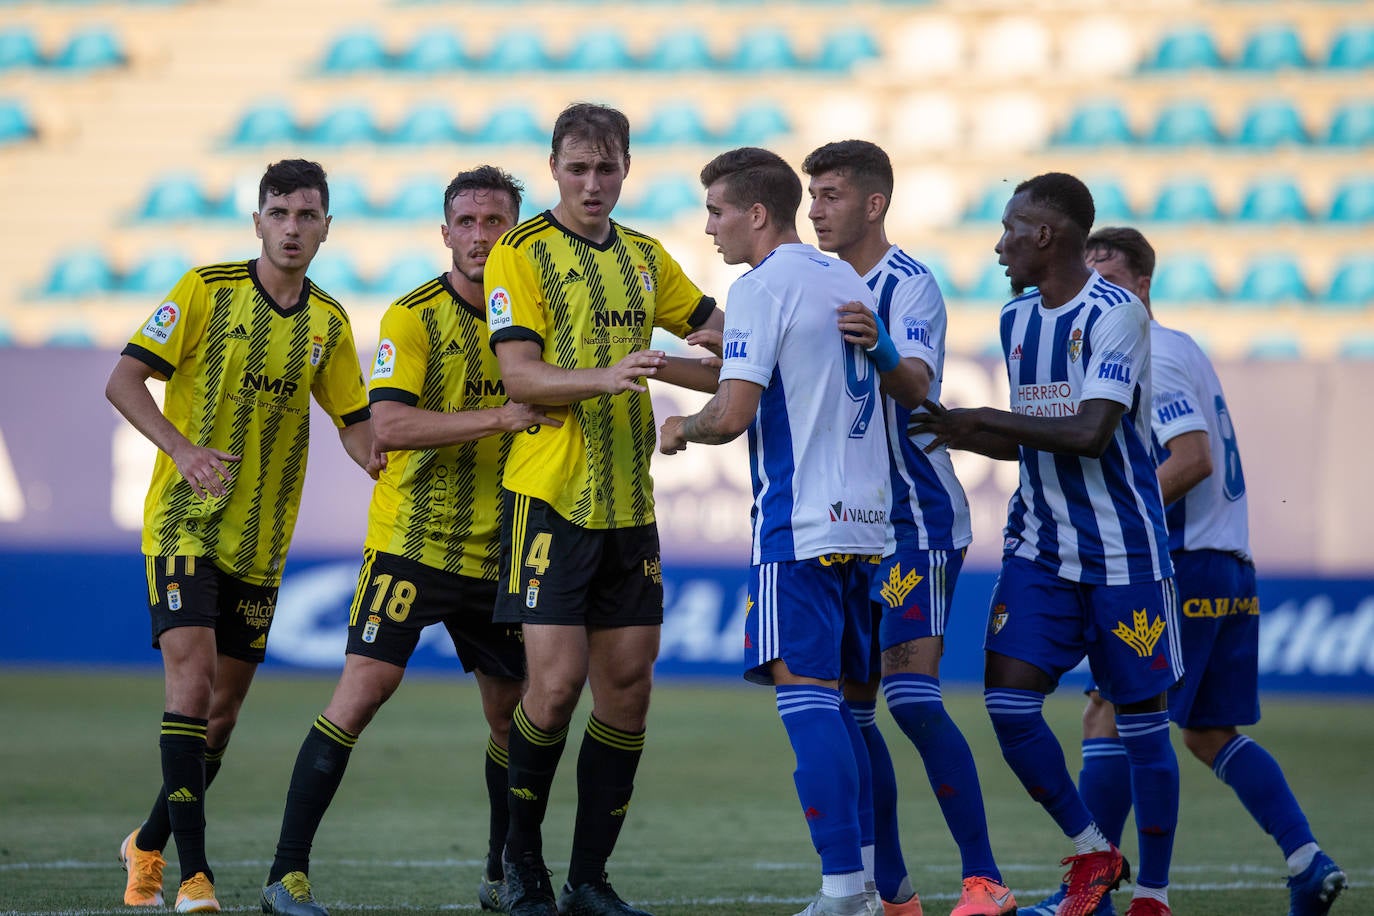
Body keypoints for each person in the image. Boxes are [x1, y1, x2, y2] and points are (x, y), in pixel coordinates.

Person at [258, 166, 557, 916]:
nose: (482, 235)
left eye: (497, 222)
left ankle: (503, 874)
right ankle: (285, 875)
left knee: (513, 714)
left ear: (515, 232)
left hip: (500, 552)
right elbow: (387, 427)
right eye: (468, 222)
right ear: (446, 232)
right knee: (362, 693)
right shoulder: (412, 317)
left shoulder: (538, 315)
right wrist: (500, 418)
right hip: (412, 545)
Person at [1022, 227, 1347, 916]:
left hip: (1185, 563)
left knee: (1107, 714)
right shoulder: (1178, 347)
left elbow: (1192, 456)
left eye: (1108, 281)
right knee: (1206, 733)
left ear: (1141, 284)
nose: (1097, 295)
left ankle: (1097, 896)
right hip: (1225, 564)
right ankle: (1305, 859)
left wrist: (1115, 511)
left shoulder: (1154, 353)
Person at [105, 159, 376, 913]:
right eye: (280, 214)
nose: (293, 228)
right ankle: (192, 876)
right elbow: (123, 380)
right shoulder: (204, 289)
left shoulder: (329, 322)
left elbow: (356, 425)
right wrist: (182, 450)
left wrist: (384, 463)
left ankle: (147, 839)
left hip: (261, 541)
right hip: (183, 524)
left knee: (219, 717)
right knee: (189, 689)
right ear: (258, 220)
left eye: (308, 216)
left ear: (326, 227)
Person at [911, 173, 1182, 916]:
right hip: (1039, 548)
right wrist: (963, 435)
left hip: (1125, 554)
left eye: (1009, 229)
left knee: (1144, 725)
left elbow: (1092, 432)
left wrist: (985, 418)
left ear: (1045, 235)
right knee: (1007, 703)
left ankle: (1152, 895)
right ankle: (1095, 851)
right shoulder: (1015, 320)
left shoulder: (1117, 313)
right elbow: (1034, 443)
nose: (998, 245)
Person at [483, 102, 723, 916]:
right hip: (549, 501)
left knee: (627, 689)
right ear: (554, 167)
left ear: (626, 168)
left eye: (607, 168)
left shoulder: (648, 258)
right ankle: (522, 868)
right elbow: (519, 376)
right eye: (578, 168)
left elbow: (722, 340)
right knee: (552, 692)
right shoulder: (519, 255)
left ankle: (589, 879)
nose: (593, 184)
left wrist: (706, 369)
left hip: (630, 507)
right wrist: (607, 376)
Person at [659, 146, 891, 916]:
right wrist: (665, 362)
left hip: (799, 524)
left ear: (757, 213)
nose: (711, 230)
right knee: (845, 708)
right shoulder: (842, 277)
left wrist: (679, 430)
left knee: (808, 702)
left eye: (717, 213)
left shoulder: (758, 285)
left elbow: (733, 414)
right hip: (866, 523)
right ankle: (858, 883)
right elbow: (770, 373)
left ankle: (838, 890)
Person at [802, 140, 1016, 916]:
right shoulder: (809, 282)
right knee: (852, 710)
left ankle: (984, 880)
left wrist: (879, 341)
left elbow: (918, 385)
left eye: (828, 195)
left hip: (914, 518)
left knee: (914, 699)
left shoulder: (909, 285)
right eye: (812, 196)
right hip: (841, 524)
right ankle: (891, 893)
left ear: (872, 203)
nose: (816, 209)